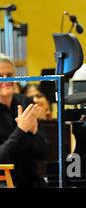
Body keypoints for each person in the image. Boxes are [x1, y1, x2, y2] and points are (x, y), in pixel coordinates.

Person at [0, 54, 49, 187]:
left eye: (9, 75)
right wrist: (21, 130)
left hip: (31, 179)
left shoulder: (25, 102)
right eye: (1, 76)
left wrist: (34, 133)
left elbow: (44, 153)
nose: (6, 80)